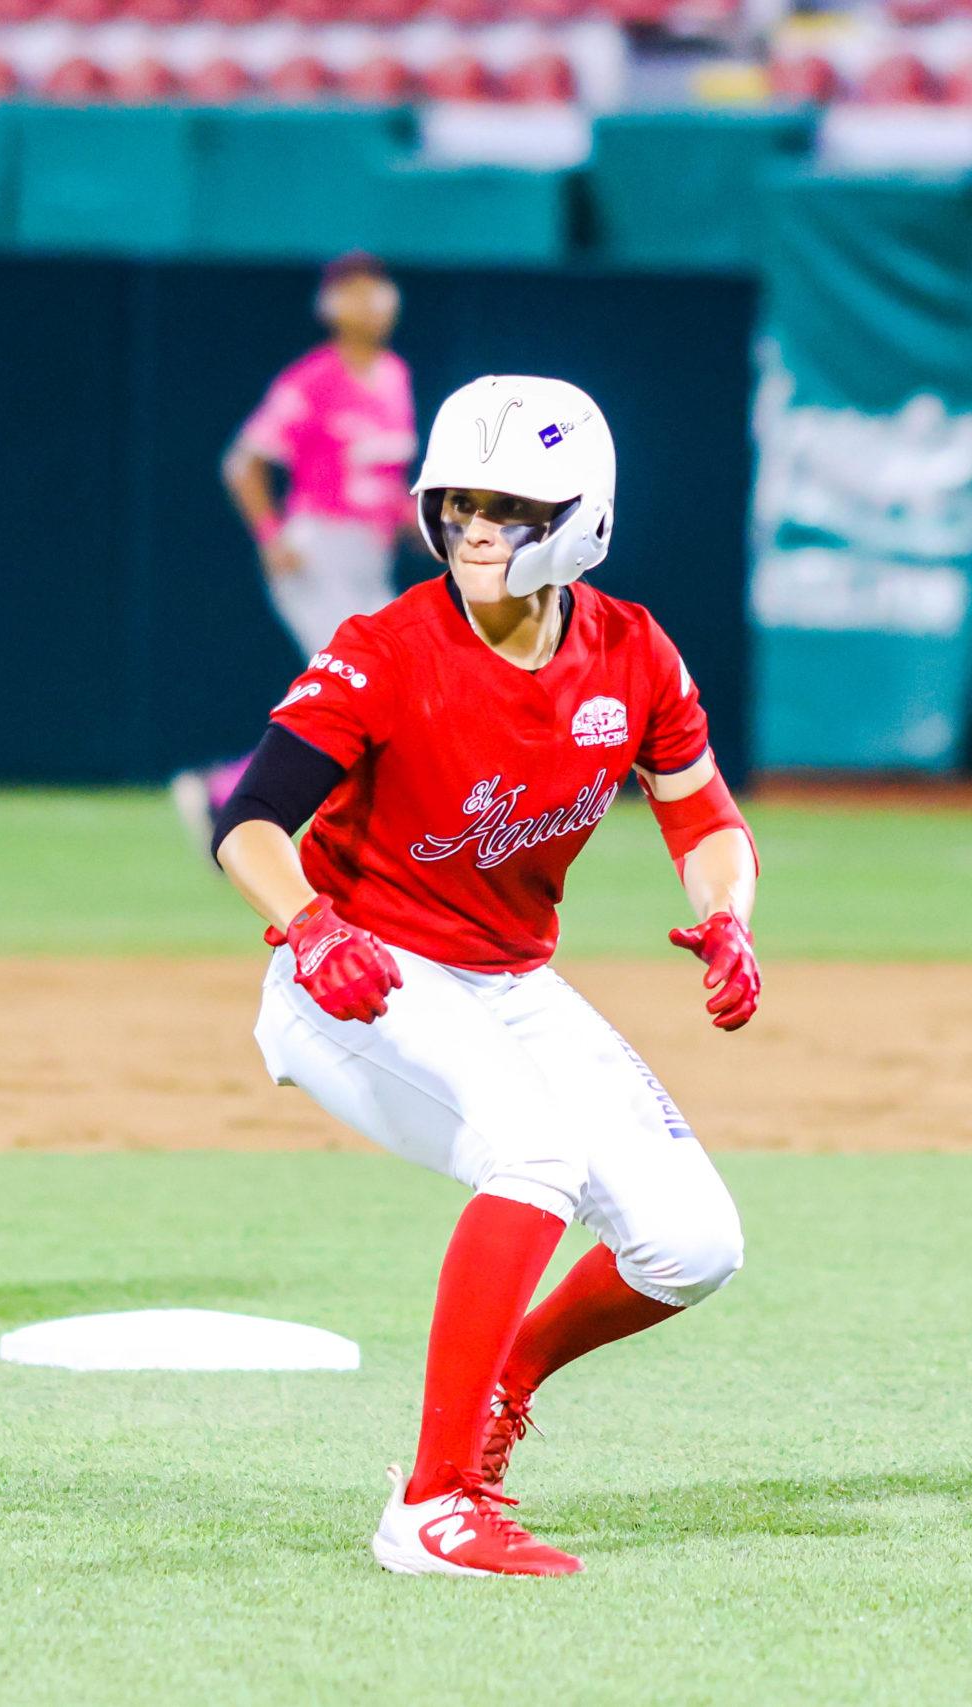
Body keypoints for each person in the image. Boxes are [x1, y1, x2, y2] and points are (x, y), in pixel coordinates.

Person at [210, 375, 762, 1577]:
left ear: (580, 519)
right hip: (354, 974)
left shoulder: (632, 653)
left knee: (692, 1244)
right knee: (534, 1153)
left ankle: (503, 1378)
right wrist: (306, 927)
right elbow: (249, 823)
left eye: (508, 508)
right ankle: (431, 1504)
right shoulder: (383, 650)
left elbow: (703, 820)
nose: (472, 528)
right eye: (458, 501)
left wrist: (727, 917)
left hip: (510, 979)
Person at [170, 251, 418, 849]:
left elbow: (383, 483)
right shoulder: (314, 378)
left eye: (379, 289)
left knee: (386, 693)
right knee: (356, 691)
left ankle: (225, 790)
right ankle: (257, 805)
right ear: (329, 305)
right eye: (355, 291)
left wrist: (434, 529)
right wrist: (271, 535)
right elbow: (241, 462)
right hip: (318, 552)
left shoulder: (393, 376)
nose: (371, 301)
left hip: (368, 557)